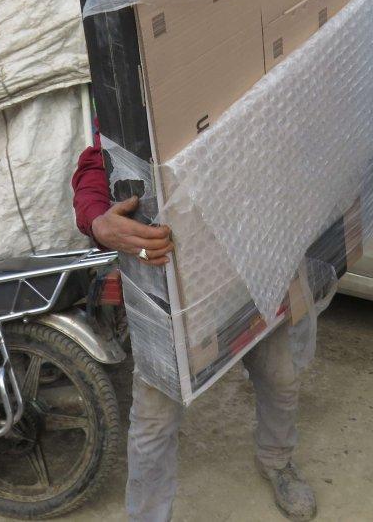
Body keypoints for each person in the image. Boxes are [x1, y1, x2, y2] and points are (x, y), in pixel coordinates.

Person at [71, 143, 318, 522]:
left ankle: (277, 460)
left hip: (256, 266)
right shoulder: (146, 107)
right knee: (155, 416)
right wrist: (98, 221)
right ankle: (147, 517)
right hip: (173, 281)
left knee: (281, 376)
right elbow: (97, 162)